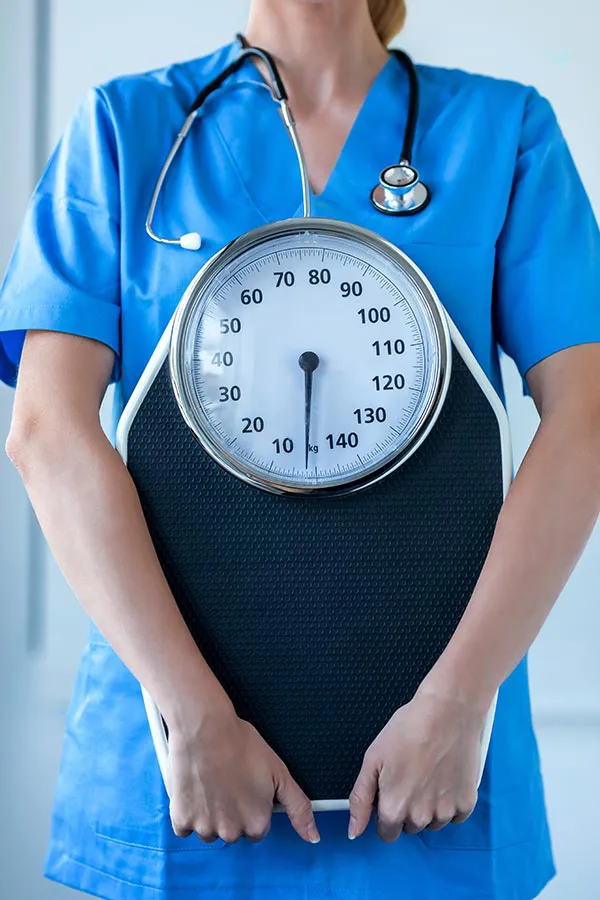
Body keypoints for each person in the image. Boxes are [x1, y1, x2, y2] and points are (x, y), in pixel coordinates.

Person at [1, 0, 600, 897]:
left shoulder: (501, 131)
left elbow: (586, 418)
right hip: (184, 763)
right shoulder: (127, 130)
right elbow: (47, 430)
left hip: (434, 764)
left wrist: (459, 702)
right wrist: (193, 710)